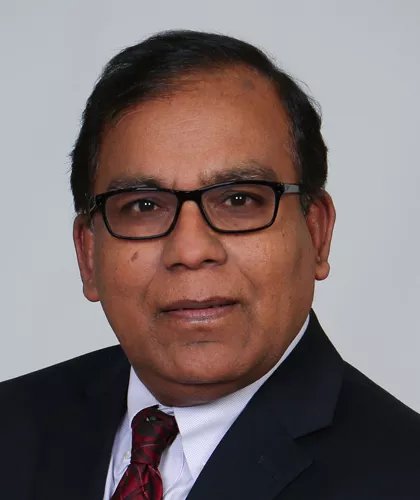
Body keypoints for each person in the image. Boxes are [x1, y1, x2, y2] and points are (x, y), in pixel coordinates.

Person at [1, 30, 419, 500]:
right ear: (88, 254)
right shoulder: (12, 427)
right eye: (143, 206)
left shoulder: (403, 475)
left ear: (317, 233)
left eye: (240, 200)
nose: (190, 250)